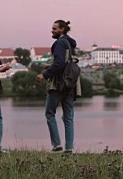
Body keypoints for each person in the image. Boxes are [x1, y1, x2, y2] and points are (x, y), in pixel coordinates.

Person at [36, 19, 80, 154]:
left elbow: (60, 64)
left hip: (59, 84)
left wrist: (45, 74)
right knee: (68, 116)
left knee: (49, 113)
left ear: (62, 29)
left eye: (54, 28)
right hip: (70, 83)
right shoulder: (70, 43)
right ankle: (69, 148)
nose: (52, 31)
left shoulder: (59, 43)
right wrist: (51, 65)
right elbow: (67, 62)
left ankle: (56, 145)